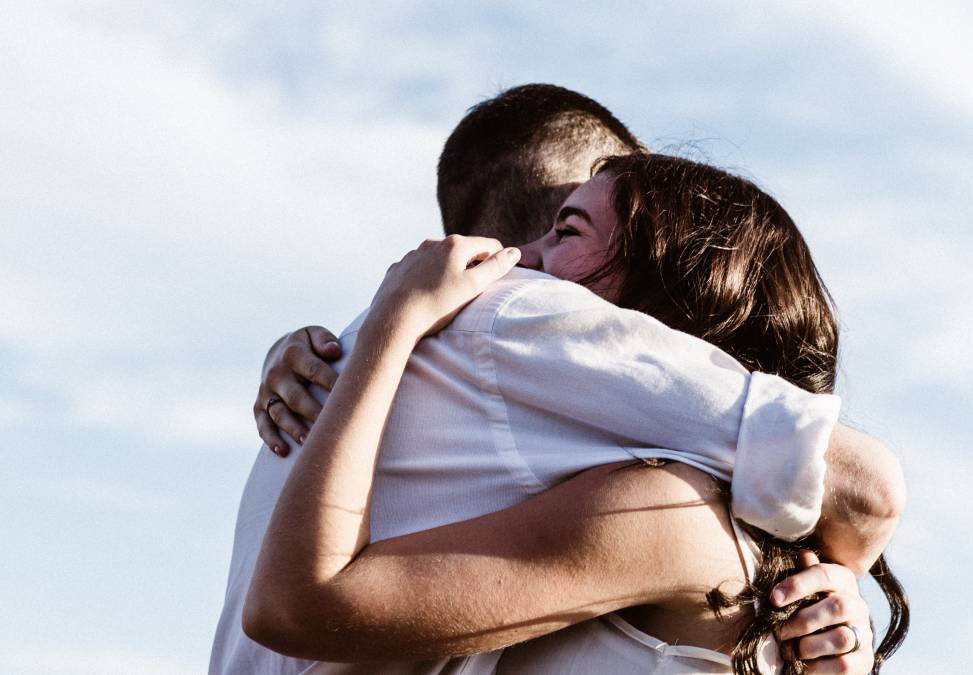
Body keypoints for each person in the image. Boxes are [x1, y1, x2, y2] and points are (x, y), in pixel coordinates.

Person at [212, 85, 903, 675]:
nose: (519, 266)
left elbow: (865, 486)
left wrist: (387, 329)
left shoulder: (669, 510)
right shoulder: (615, 471)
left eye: (567, 232)